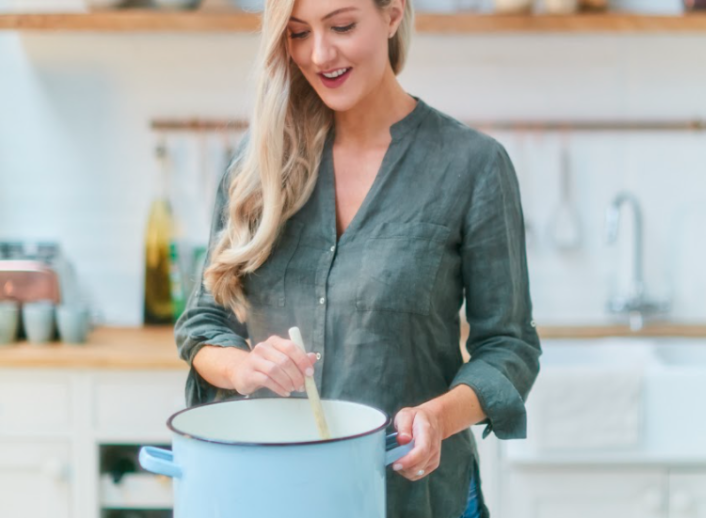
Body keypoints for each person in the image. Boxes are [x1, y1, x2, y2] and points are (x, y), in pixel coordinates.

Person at [174, 1, 541, 517]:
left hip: (414, 497)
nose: (320, 53)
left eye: (342, 26)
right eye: (298, 33)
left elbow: (510, 347)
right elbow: (202, 324)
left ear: (392, 14)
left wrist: (438, 417)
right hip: (274, 495)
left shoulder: (472, 166)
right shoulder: (257, 163)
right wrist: (243, 368)